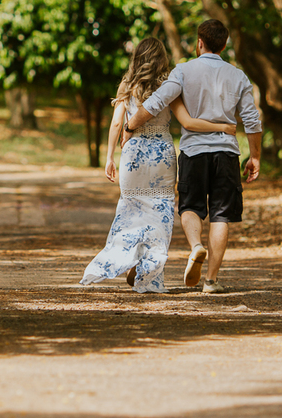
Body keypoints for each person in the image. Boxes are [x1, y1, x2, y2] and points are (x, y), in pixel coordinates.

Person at [80, 38, 235, 293]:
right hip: (162, 154)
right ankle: (149, 270)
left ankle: (131, 259)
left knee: (131, 211)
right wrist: (221, 126)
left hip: (134, 154)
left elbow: (117, 123)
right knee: (159, 211)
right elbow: (186, 120)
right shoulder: (169, 85)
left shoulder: (127, 84)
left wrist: (109, 157)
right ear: (162, 58)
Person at [122, 19, 262, 294]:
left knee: (190, 207)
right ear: (224, 45)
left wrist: (129, 127)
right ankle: (210, 280)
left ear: (200, 42)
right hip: (226, 153)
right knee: (221, 216)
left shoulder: (183, 71)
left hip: (194, 152)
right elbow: (252, 119)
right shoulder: (238, 76)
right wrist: (254, 156)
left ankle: (196, 246)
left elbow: (155, 103)